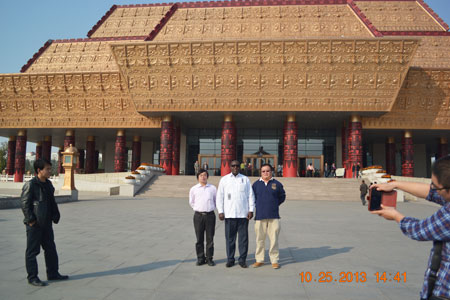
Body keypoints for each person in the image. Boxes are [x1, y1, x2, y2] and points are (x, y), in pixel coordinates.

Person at [370, 155, 450, 300]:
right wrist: (395, 184)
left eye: (436, 186)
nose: (433, 189)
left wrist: (396, 216)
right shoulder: (445, 192)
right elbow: (431, 193)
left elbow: (420, 230)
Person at [20, 159, 68, 287]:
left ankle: (53, 273)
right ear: (39, 170)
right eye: (47, 169)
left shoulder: (48, 184)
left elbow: (51, 201)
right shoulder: (31, 185)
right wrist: (31, 220)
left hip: (46, 223)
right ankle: (32, 277)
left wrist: (55, 214)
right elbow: (25, 204)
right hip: (35, 224)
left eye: (49, 168)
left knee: (50, 249)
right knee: (32, 251)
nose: (49, 171)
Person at [216, 160, 255, 268]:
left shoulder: (245, 179)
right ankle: (230, 259)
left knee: (243, 239)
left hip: (243, 215)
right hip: (229, 214)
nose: (235, 167)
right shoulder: (224, 180)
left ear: (240, 167)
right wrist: (220, 211)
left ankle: (242, 260)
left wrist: (251, 210)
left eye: (237, 166)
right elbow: (220, 196)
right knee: (230, 239)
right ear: (230, 167)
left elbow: (250, 196)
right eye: (233, 166)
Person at [251, 164, 286, 269]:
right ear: (260, 172)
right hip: (260, 216)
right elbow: (252, 198)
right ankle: (259, 259)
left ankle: (274, 260)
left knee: (274, 239)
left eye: (268, 171)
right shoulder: (256, 184)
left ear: (271, 172)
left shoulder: (277, 184)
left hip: (273, 216)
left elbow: (282, 197)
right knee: (259, 239)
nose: (265, 173)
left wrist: (274, 204)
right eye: (263, 171)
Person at [189, 168, 217, 266]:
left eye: (205, 175)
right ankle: (200, 258)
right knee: (199, 238)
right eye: (201, 175)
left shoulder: (213, 188)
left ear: (207, 176)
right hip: (198, 216)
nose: (203, 177)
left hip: (210, 215)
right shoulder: (194, 189)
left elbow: (215, 201)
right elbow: (191, 202)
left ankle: (209, 258)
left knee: (210, 238)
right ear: (198, 177)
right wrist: (198, 209)